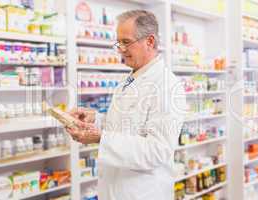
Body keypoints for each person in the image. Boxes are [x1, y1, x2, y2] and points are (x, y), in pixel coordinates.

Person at [67, 10, 186, 200]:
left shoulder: (167, 86)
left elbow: (157, 151)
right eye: (118, 42)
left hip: (142, 193)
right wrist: (95, 120)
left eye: (126, 42)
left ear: (150, 41)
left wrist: (100, 138)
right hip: (115, 190)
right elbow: (125, 126)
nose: (120, 49)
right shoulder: (130, 80)